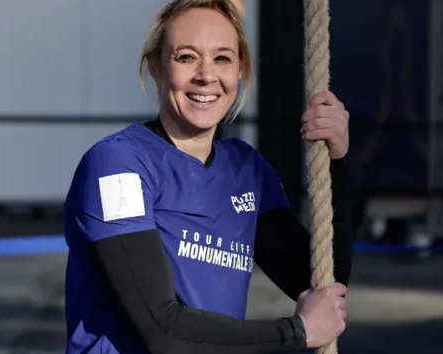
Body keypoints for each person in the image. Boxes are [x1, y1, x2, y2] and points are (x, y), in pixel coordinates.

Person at [63, 0, 354, 353]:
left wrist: (337, 161)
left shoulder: (246, 169)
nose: (206, 75)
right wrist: (295, 331)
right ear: (155, 66)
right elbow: (163, 330)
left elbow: (320, 282)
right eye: (186, 57)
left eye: (222, 58)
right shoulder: (118, 165)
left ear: (240, 70)